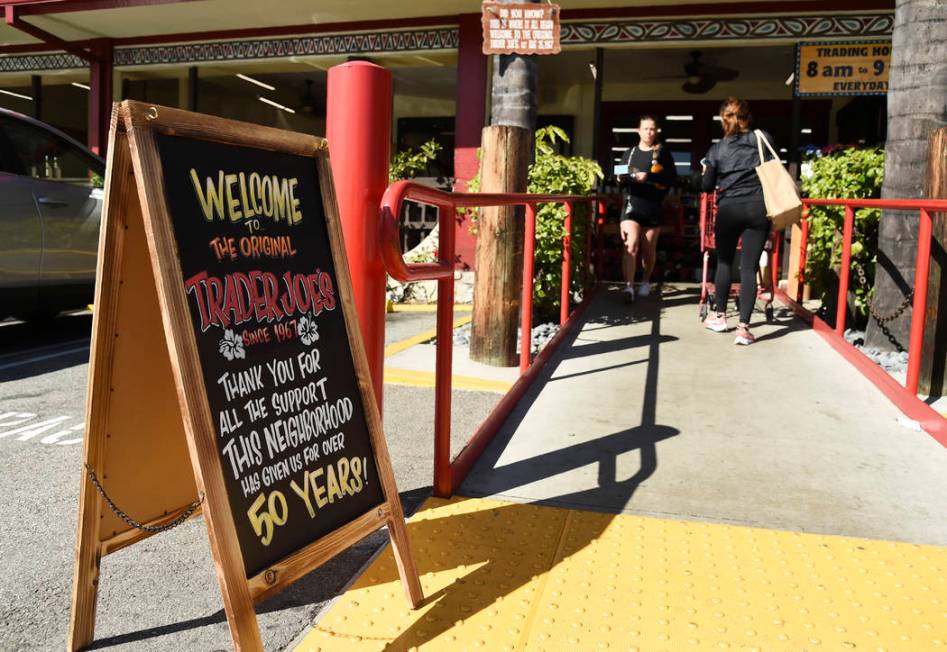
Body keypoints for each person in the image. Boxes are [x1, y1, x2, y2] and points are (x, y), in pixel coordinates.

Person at [701, 97, 776, 345]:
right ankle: (743, 329)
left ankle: (720, 316)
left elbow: (707, 185)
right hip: (758, 207)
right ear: (748, 116)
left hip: (729, 209)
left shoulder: (717, 149)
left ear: (723, 119)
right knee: (748, 268)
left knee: (723, 262)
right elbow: (774, 169)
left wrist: (708, 172)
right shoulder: (761, 138)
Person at [617, 115, 677, 302]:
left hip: (653, 207)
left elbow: (671, 178)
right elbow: (618, 172)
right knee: (631, 245)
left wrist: (649, 177)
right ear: (639, 130)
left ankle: (644, 280)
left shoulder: (662, 153)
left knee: (648, 251)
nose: (649, 132)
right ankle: (628, 287)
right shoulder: (631, 152)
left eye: (652, 129)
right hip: (632, 205)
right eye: (645, 129)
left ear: (656, 131)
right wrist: (633, 174)